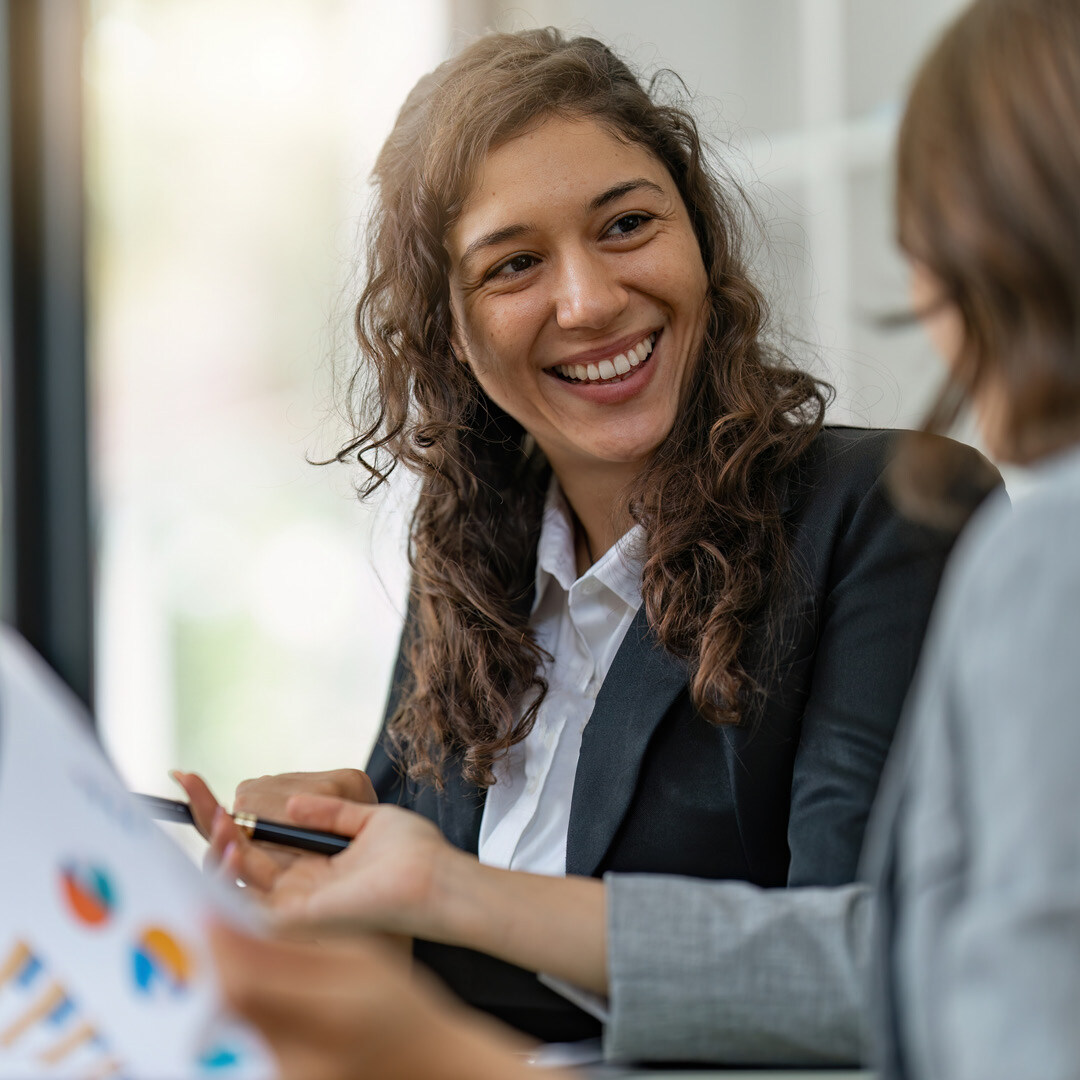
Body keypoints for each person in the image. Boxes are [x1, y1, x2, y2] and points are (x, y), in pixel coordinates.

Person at [182, 26, 995, 1062]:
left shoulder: (885, 514)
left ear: (698, 238)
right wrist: (337, 875)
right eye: (516, 263)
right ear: (449, 332)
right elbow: (420, 992)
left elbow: (877, 977)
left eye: (626, 225)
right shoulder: (472, 570)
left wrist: (450, 888)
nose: (591, 299)